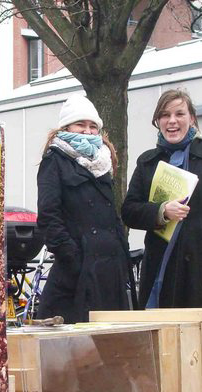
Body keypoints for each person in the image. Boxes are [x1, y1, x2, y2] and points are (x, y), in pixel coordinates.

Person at [122, 89, 202, 309]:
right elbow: (129, 211)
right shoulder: (148, 161)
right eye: (165, 115)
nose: (172, 121)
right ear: (158, 121)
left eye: (179, 114)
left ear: (192, 118)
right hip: (161, 270)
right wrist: (162, 211)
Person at [35, 94, 132, 324]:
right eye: (80, 124)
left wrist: (122, 252)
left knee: (111, 346)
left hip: (109, 270)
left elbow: (111, 214)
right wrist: (72, 257)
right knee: (71, 348)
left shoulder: (103, 162)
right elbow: (49, 216)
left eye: (92, 126)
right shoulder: (55, 160)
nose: (87, 131)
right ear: (66, 127)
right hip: (78, 271)